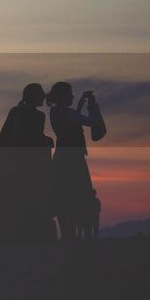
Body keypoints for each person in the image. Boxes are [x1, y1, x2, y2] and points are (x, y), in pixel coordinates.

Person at [47, 82, 107, 241]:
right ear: (64, 96)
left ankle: (67, 232)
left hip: (61, 156)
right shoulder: (66, 113)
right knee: (80, 194)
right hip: (74, 159)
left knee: (63, 195)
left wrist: (80, 103)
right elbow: (88, 121)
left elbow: (72, 120)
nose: (72, 96)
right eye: (70, 94)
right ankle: (76, 233)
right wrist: (93, 107)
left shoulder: (54, 111)